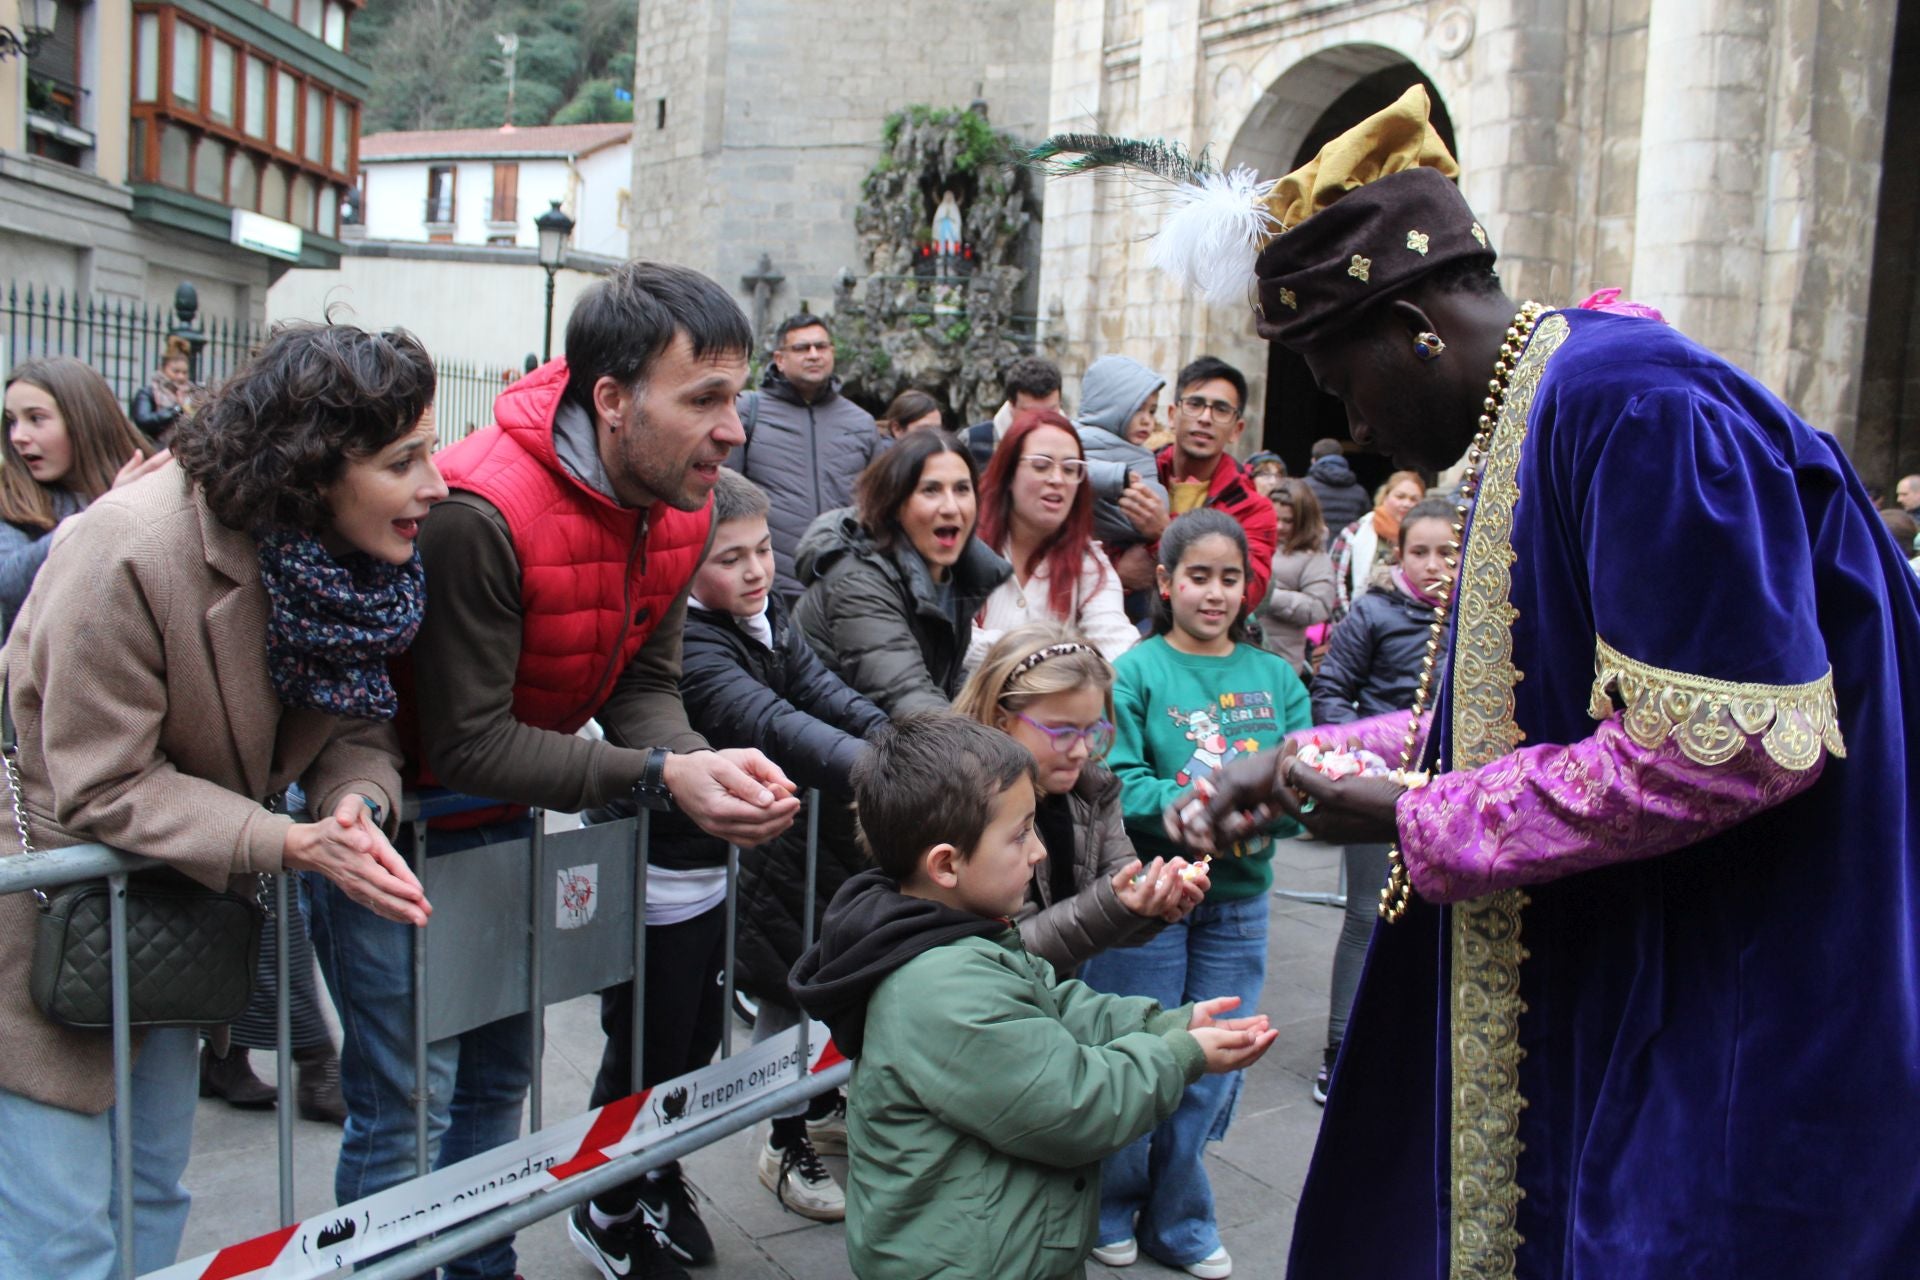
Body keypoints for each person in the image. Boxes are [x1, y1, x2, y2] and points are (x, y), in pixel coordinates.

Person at [1152, 84, 1920, 1279]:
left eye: (1340, 379)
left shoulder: (1632, 403)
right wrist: (1322, 760)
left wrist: (1412, 811)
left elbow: (1730, 743)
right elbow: (1522, 708)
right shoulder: (1546, 403)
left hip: (1725, 997)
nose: (1349, 425)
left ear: (1414, 323)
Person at [323, 262, 800, 1280]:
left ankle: (482, 1267)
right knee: (412, 1100)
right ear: (613, 401)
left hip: (501, 815)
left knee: (500, 1078)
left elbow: (645, 681)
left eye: (737, 396)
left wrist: (693, 762)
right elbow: (465, 740)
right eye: (704, 399)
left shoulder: (684, 501)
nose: (735, 429)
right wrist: (659, 777)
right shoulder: (479, 511)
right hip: (385, 827)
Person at [0, 323, 438, 1280]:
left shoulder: (340, 561)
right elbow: (102, 779)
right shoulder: (131, 547)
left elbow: (354, 722)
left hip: (168, 914)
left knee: (152, 1192)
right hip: (44, 920)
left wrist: (353, 802)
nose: (434, 485)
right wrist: (287, 842)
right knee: (63, 1234)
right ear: (315, 463)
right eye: (405, 460)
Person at [789, 713, 1277, 1280]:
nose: (1039, 851)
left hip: (1006, 1242)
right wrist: (1180, 1056)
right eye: (1019, 834)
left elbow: (1059, 1008)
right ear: (946, 864)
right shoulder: (941, 985)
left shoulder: (955, 933)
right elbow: (1070, 1106)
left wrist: (1167, 1024)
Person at [1078, 509, 1311, 1279]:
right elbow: (1119, 777)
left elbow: (1305, 775)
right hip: (1150, 895)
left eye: (1230, 578)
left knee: (1218, 1060)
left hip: (1240, 901)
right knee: (1137, 1047)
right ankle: (1108, 1203)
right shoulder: (1138, 670)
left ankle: (1179, 1214)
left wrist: (1265, 811)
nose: (1215, 593)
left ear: (1250, 588)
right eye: (1199, 577)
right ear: (1168, 582)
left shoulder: (1277, 675)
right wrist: (1183, 811)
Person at [662, 468, 887, 1225]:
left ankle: (662, 1175)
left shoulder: (767, 613)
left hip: (739, 860)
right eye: (731, 558)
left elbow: (823, 692)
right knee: (663, 1047)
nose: (757, 569)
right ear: (685, 564)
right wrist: (892, 772)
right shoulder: (690, 644)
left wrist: (907, 743)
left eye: (763, 549)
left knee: (707, 1032)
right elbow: (772, 720)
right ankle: (627, 1191)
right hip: (672, 874)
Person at [1304, 496, 1456, 1103]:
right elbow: (1332, 691)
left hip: (1450, 790)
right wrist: (1364, 759)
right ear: (1398, 556)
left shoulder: (1481, 617)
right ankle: (1339, 1047)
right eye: (1419, 551)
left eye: (1447, 551)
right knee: (1367, 913)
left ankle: (1414, 1044)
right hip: (1381, 788)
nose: (1433, 564)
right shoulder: (1372, 612)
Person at [954, 621, 1209, 975]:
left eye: (1093, 730)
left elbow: (1107, 910)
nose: (1082, 749)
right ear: (1001, 720)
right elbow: (1013, 948)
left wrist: (1150, 904)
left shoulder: (1093, 792)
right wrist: (1118, 903)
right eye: (1061, 731)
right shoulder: (970, 804)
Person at [793, 429, 1010, 715]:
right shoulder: (859, 581)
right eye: (931, 490)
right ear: (895, 503)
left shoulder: (952, 573)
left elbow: (943, 682)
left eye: (961, 489)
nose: (951, 507)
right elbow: (907, 699)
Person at [1, 357, 168, 635]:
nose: (17, 435)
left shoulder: (147, 479)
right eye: (11, 421)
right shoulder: (9, 495)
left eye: (35, 419)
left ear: (83, 420)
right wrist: (102, 514)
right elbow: (9, 584)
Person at [730, 314, 884, 605]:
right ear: (780, 358)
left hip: (843, 584)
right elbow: (725, 496)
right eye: (802, 348)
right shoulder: (748, 412)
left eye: (821, 347)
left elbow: (876, 505)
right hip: (768, 586)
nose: (814, 355)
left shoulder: (861, 422)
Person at [967, 408, 1137, 671]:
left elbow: (1115, 638)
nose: (1057, 479)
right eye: (1041, 466)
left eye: (1071, 469)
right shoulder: (965, 545)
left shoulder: (1087, 560)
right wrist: (1061, 655)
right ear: (1008, 472)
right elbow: (960, 641)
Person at [1128, 356, 1280, 609]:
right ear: (1172, 415)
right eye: (1195, 404)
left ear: (1237, 429)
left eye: (1221, 409)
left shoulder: (1254, 509)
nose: (1205, 418)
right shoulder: (1135, 478)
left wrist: (1165, 535)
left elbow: (1248, 593)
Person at [1072, 354, 1173, 613]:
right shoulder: (1080, 440)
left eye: (1152, 411)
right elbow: (1072, 471)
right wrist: (1117, 477)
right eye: (1137, 408)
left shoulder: (1139, 453)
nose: (1147, 420)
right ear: (1111, 404)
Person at [1254, 478, 1336, 678]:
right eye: (1274, 518)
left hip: (1280, 661)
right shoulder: (1254, 543)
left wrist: (1266, 595)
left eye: (1288, 521)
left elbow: (1318, 607)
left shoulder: (1314, 557)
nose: (1279, 526)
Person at [1328, 469, 1426, 617]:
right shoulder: (1356, 532)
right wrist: (1348, 622)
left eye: (1414, 499)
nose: (1406, 503)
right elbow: (1335, 579)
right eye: (1400, 496)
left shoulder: (1427, 539)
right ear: (1385, 497)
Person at [964, 355, 1062, 472]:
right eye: (1030, 413)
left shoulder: (1078, 444)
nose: (1042, 420)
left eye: (1050, 412)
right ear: (1012, 405)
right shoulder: (973, 442)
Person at [129, 335, 199, 446]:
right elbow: (143, 421)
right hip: (155, 451)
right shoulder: (148, 393)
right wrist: (177, 409)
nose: (180, 377)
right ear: (163, 368)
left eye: (184, 372)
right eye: (175, 371)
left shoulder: (194, 394)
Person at [1302, 438, 1369, 534]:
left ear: (1313, 461)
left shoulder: (1303, 487)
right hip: (1345, 547)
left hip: (1313, 546)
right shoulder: (1360, 492)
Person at [874, 388, 944, 439]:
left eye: (937, 429)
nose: (935, 436)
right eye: (924, 430)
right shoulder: (886, 456)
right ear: (897, 429)